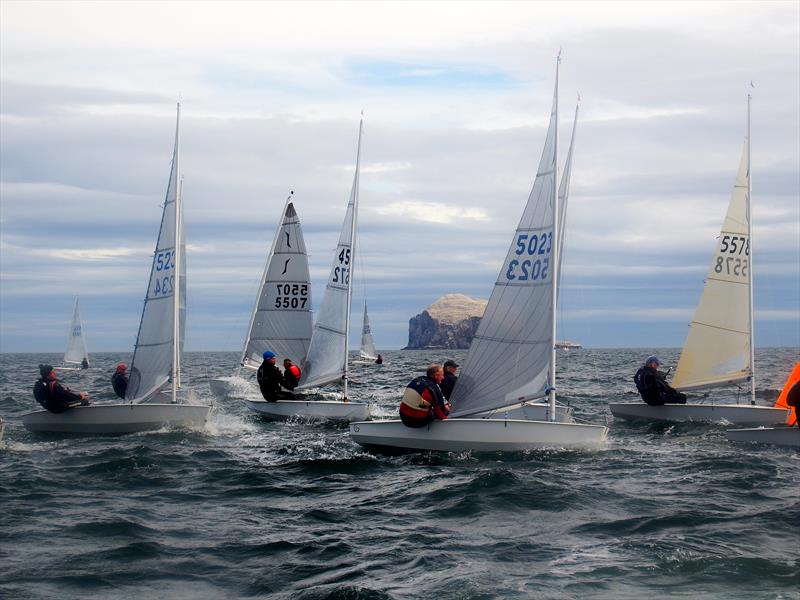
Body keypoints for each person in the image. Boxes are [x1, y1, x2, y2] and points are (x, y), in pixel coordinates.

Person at [399, 364, 451, 428]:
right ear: (436, 375)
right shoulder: (433, 389)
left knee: (428, 405)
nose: (443, 378)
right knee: (438, 412)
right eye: (442, 375)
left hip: (403, 417)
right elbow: (441, 416)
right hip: (414, 422)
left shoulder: (417, 380)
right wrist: (446, 410)